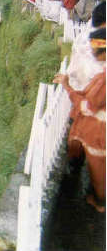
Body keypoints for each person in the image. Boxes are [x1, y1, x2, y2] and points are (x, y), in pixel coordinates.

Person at [53, 27, 105, 213]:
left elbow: (87, 105)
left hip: (99, 133)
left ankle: (100, 203)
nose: (91, 52)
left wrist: (67, 87)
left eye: (94, 50)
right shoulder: (101, 76)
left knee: (98, 166)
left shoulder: (103, 80)